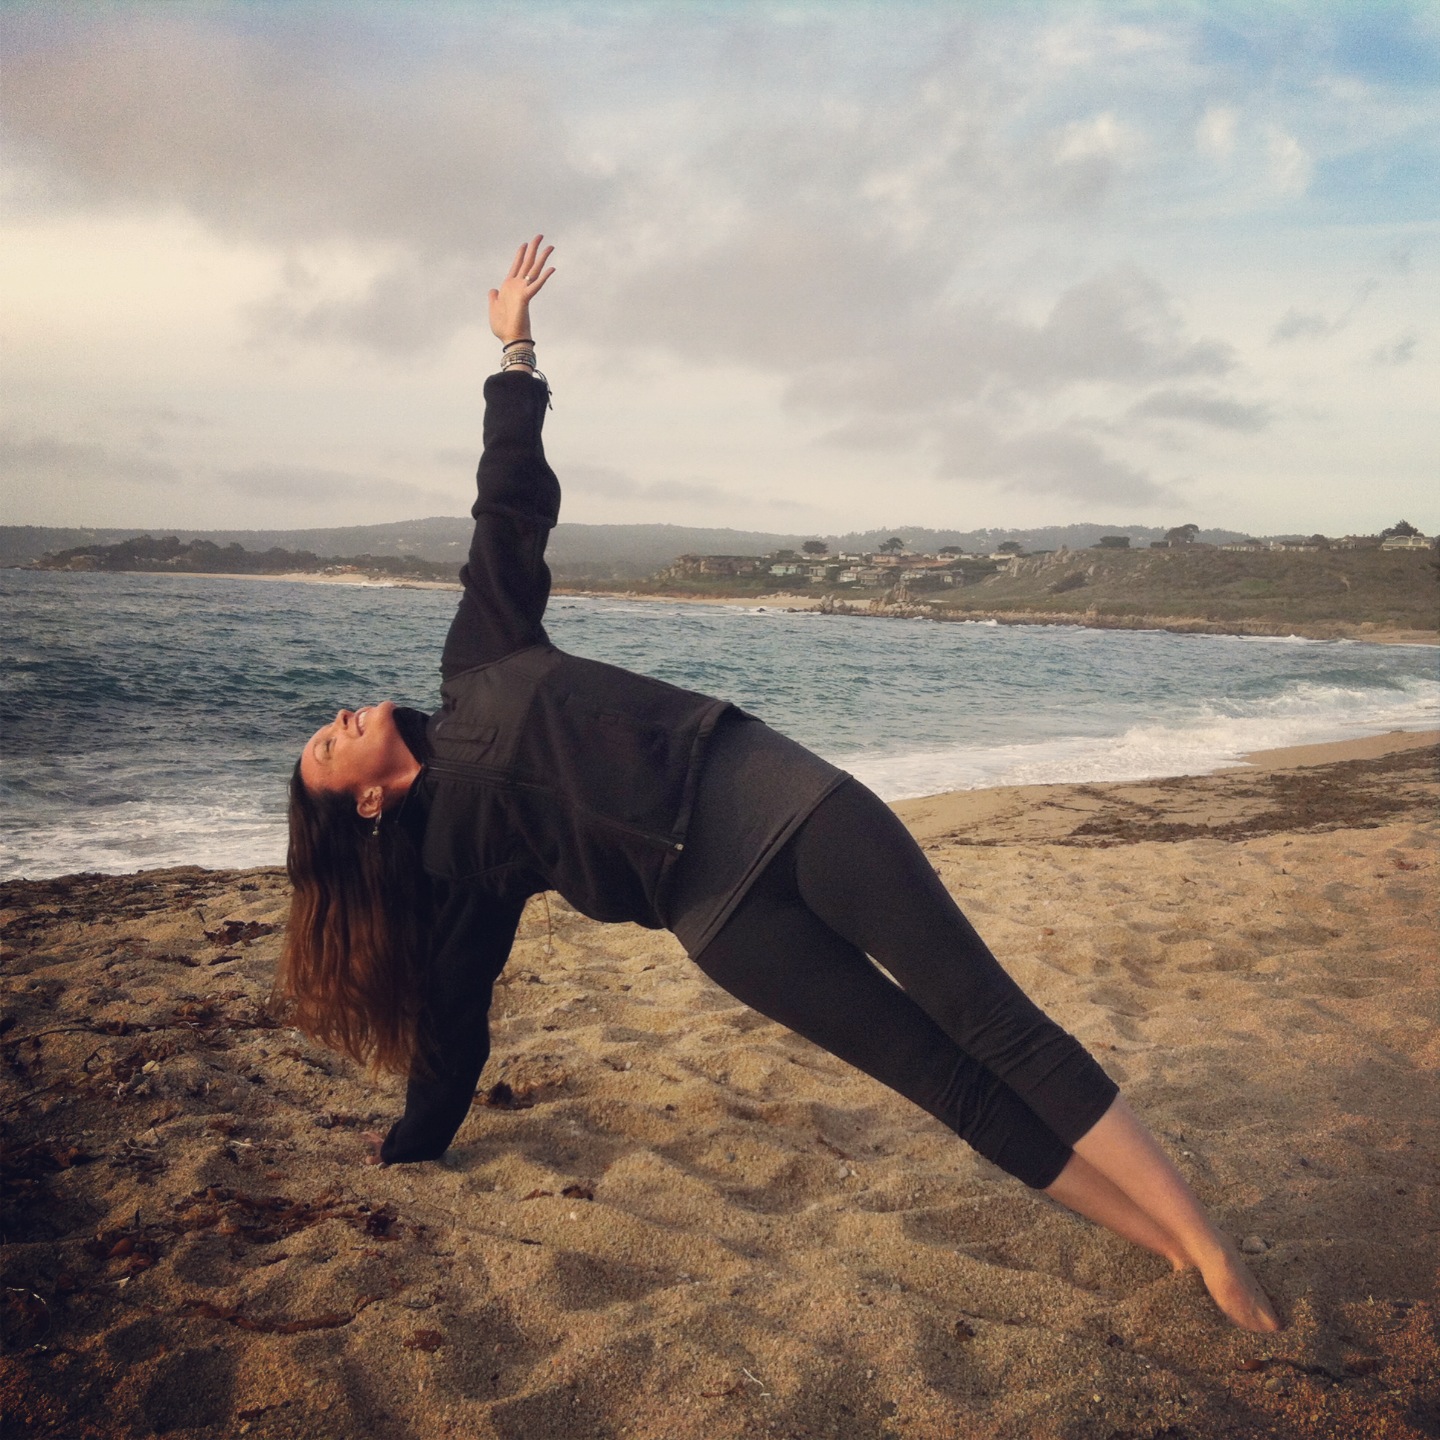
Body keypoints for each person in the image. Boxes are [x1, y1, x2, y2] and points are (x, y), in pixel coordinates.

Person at [280, 236, 1280, 1333]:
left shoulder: (476, 662)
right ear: (363, 805)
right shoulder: (448, 856)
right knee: (935, 1081)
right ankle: (1167, 1248)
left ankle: (1211, 1246)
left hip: (777, 800)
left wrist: (515, 351)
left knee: (989, 1020)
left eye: (326, 729)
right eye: (326, 753)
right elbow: (456, 1006)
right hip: (715, 918)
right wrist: (420, 1135)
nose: (335, 724)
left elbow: (507, 508)